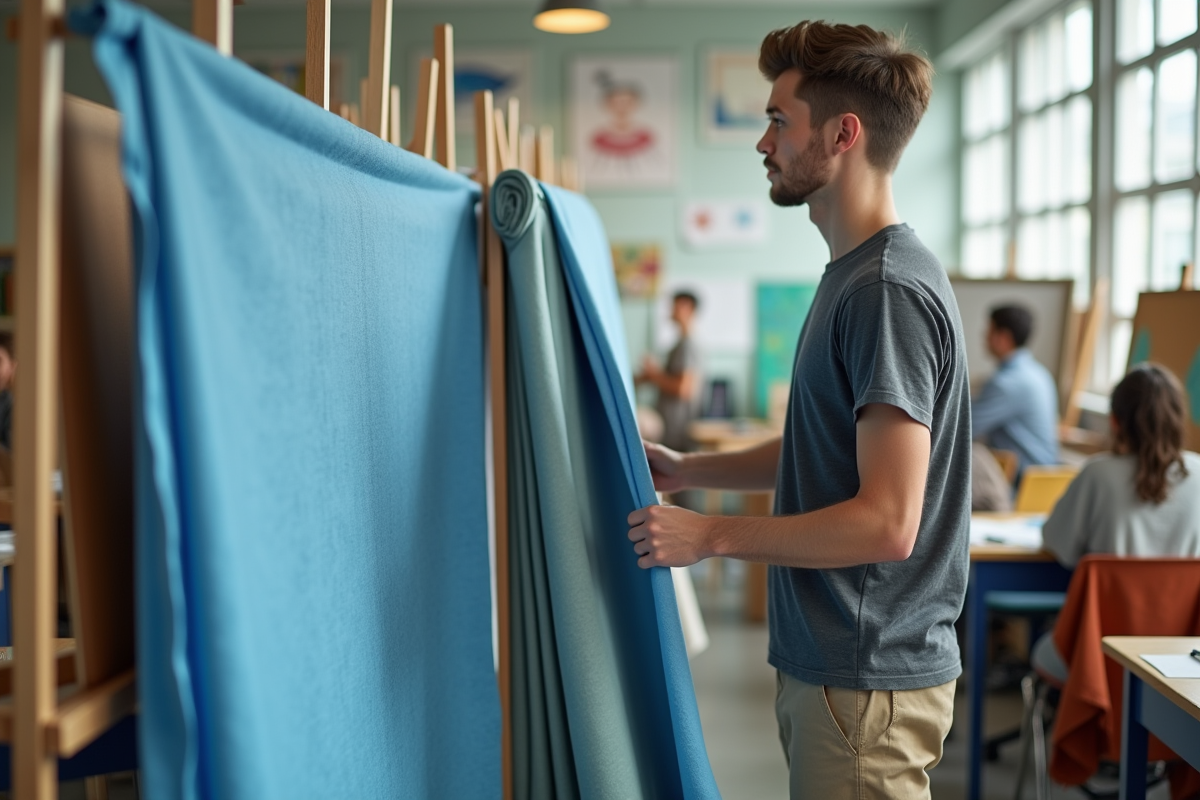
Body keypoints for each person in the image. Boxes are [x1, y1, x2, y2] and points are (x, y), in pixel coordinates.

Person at [626, 21, 970, 800]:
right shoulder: (852, 274)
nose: (763, 142)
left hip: (863, 675)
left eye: (779, 120)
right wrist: (692, 472)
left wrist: (710, 534)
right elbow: (823, 449)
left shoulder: (885, 289)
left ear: (843, 134)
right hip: (839, 671)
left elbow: (887, 520)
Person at [1032, 363, 1200, 682]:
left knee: (1052, 640)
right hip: (1178, 659)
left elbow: (1056, 543)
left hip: (1097, 654)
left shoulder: (1098, 474)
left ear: (1115, 421)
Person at [972, 304, 1060, 479]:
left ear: (1003, 337)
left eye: (989, 331)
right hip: (1043, 480)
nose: (984, 337)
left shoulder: (1006, 383)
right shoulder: (1040, 373)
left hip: (1018, 484)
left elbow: (964, 427)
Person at [635, 291, 701, 454]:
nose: (671, 310)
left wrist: (654, 375)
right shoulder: (680, 345)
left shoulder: (687, 346)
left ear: (687, 308)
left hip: (676, 428)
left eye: (675, 305)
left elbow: (683, 389)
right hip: (671, 426)